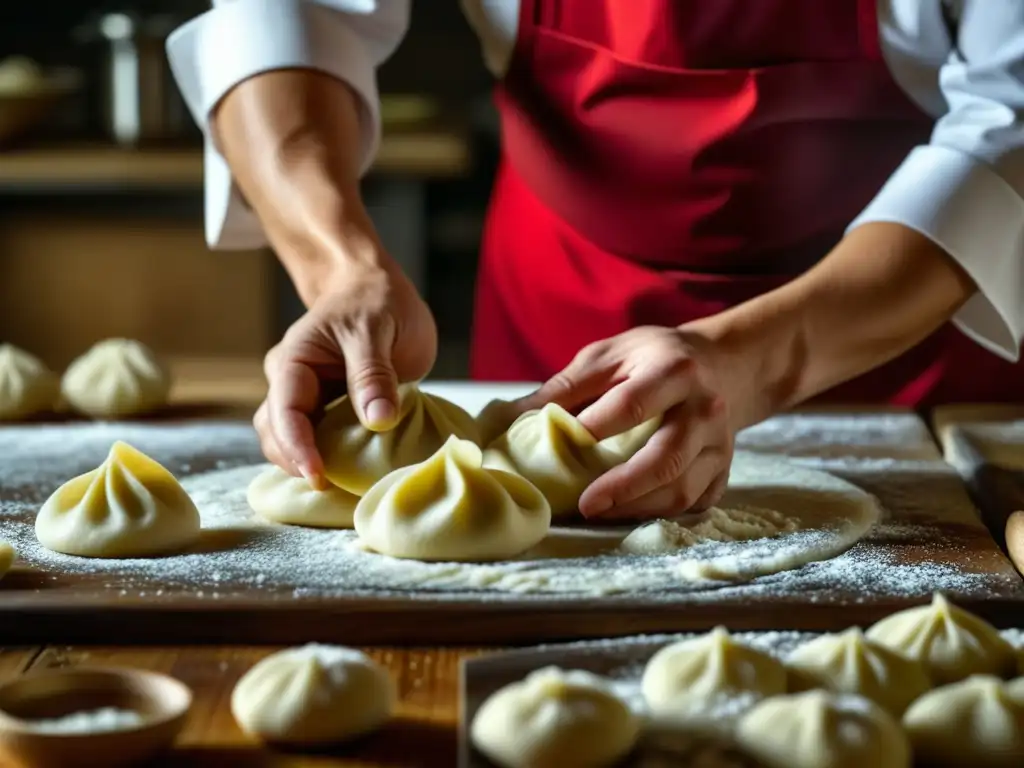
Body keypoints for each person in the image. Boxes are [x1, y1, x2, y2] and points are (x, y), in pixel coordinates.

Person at [168, 1, 1024, 520]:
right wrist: (341, 270)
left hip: (899, 336)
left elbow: (1010, 118)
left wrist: (757, 356)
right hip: (555, 307)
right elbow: (285, 21)